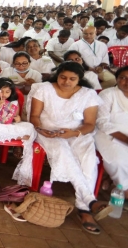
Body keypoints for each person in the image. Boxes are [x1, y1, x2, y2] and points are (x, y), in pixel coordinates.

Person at [29, 61, 112, 234]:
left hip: (77, 133)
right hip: (48, 132)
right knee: (63, 153)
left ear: (79, 79)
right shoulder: (44, 89)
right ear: (57, 75)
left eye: (72, 79)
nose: (66, 82)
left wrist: (73, 133)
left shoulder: (88, 94)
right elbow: (35, 116)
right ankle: (89, 204)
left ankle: (84, 206)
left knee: (88, 161)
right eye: (63, 77)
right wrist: (41, 129)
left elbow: (89, 124)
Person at [0, 78, 36, 181]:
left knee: (29, 127)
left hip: (9, 127)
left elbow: (17, 117)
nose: (4, 94)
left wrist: (17, 119)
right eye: (1, 91)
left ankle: (18, 137)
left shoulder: (14, 103)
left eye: (7, 92)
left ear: (11, 92)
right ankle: (16, 137)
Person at [95, 67, 128, 204]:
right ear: (116, 79)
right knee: (117, 161)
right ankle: (125, 191)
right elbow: (102, 122)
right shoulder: (107, 94)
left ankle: (110, 179)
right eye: (122, 78)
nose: (126, 82)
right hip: (108, 134)